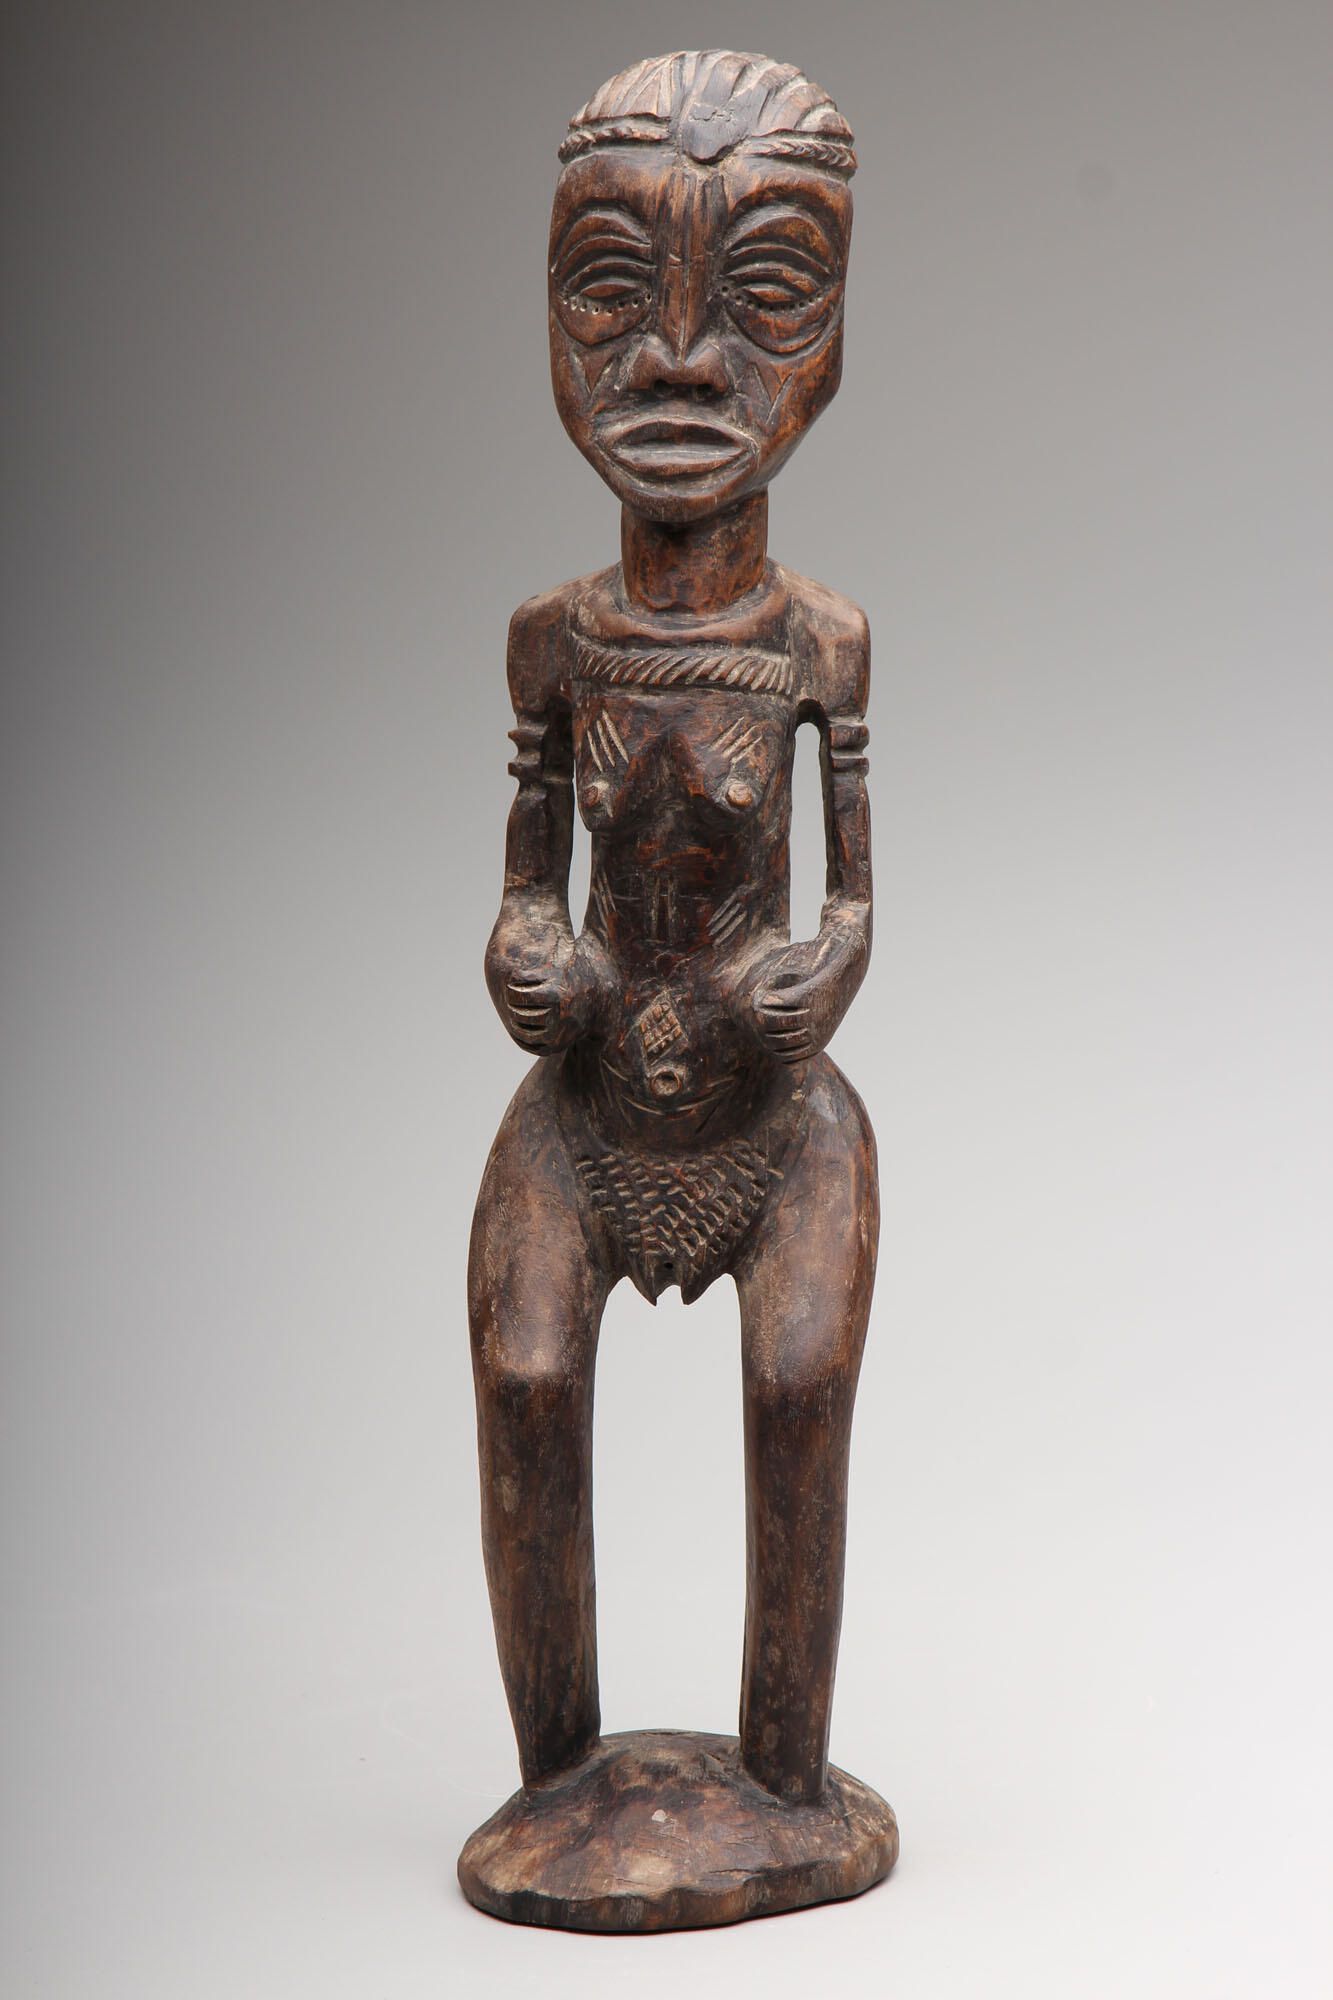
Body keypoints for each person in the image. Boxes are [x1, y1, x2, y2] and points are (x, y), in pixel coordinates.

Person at [468, 50, 877, 1808]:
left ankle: (784, 1782)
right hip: (584, 1116)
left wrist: (828, 971)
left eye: (764, 290)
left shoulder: (820, 642)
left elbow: (853, 893)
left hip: (775, 1124)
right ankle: (555, 1779)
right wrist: (520, 953)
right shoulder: (552, 639)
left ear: (833, 328)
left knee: (796, 1392)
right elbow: (521, 881)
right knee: (522, 1377)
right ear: (551, 313)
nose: (683, 359)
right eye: (614, 291)